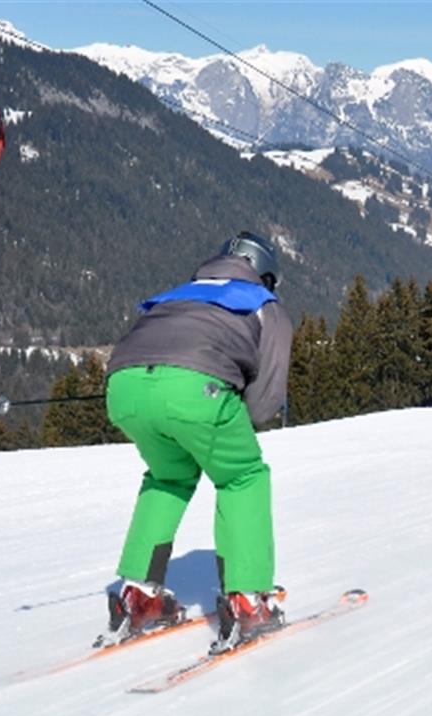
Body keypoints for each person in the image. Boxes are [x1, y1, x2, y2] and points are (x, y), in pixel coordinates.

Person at [101, 231, 294, 653]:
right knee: (243, 476)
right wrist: (231, 416)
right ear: (264, 272)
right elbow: (264, 401)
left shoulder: (177, 293)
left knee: (168, 478)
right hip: (196, 390)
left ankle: (140, 595)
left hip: (124, 387)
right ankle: (248, 599)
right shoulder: (264, 304)